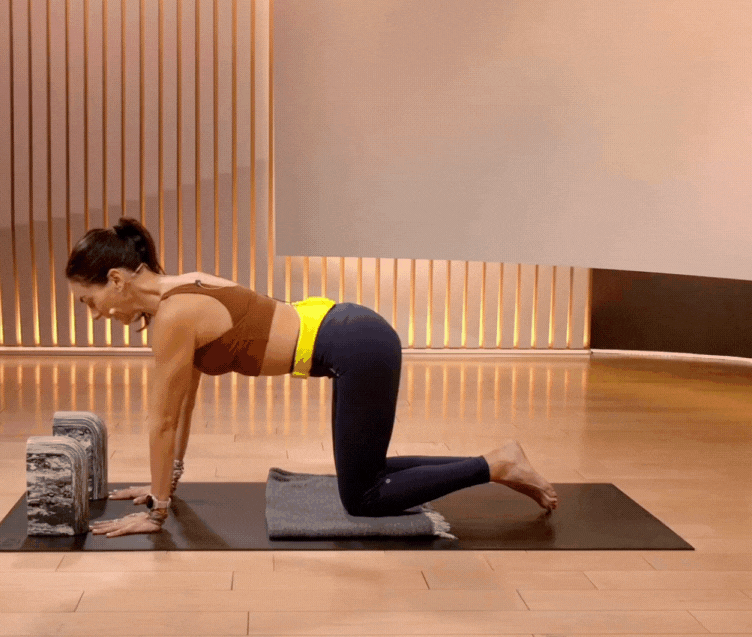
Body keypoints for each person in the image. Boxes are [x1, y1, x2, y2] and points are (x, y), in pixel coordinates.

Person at [66, 218, 559, 538]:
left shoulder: (174, 317)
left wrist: (155, 511)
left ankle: (494, 465)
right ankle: (498, 461)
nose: (93, 315)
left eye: (89, 301)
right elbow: (184, 406)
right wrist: (163, 485)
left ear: (116, 279)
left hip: (356, 346)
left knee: (364, 498)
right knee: (367, 473)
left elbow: (162, 420)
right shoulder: (180, 293)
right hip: (353, 336)